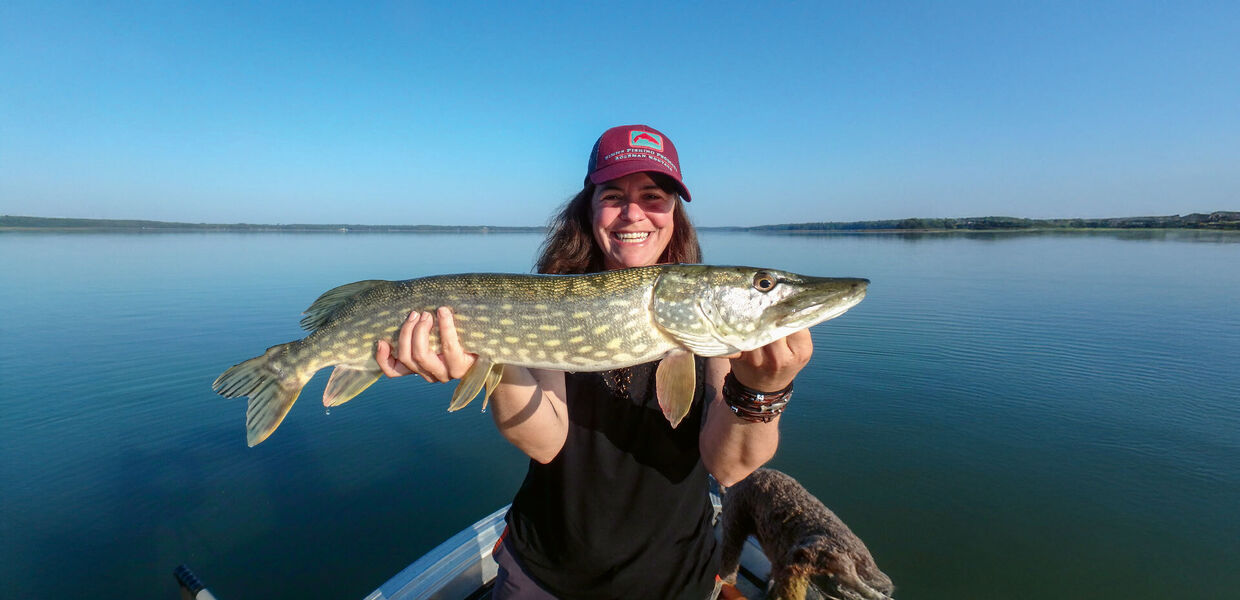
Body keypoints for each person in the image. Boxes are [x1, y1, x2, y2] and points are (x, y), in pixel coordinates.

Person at [374, 125, 813, 599]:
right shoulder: (549, 294)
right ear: (589, 207)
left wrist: (761, 390)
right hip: (544, 572)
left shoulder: (707, 318)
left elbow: (729, 467)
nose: (633, 214)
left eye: (653, 195)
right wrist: (492, 356)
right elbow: (544, 442)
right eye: (612, 196)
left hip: (672, 579)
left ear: (674, 212)